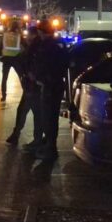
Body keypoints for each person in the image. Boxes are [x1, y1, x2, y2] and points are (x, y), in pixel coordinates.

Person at [30, 18, 69, 161]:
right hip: (58, 84)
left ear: (42, 31)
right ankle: (50, 146)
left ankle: (50, 149)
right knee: (53, 118)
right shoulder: (61, 43)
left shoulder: (46, 45)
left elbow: (42, 65)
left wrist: (36, 76)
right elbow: (66, 63)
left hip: (49, 85)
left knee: (48, 118)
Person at [5, 26, 43, 146]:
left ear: (33, 35)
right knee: (27, 110)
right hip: (32, 85)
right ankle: (18, 135)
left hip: (32, 86)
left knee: (32, 112)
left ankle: (36, 140)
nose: (26, 38)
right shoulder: (36, 46)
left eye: (28, 35)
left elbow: (26, 61)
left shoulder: (34, 47)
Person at [0, 20, 23, 101]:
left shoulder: (5, 35)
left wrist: (0, 55)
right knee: (22, 76)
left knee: (4, 78)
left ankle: (3, 96)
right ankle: (26, 93)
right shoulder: (19, 36)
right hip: (16, 59)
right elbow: (26, 45)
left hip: (6, 59)